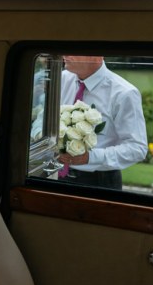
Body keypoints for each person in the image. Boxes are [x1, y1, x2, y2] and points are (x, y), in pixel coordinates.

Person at [57, 56, 147, 189]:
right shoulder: (60, 79)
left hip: (98, 183)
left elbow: (137, 148)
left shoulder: (124, 93)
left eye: (75, 47)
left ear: (97, 55)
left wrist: (90, 158)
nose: (65, 54)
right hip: (54, 176)